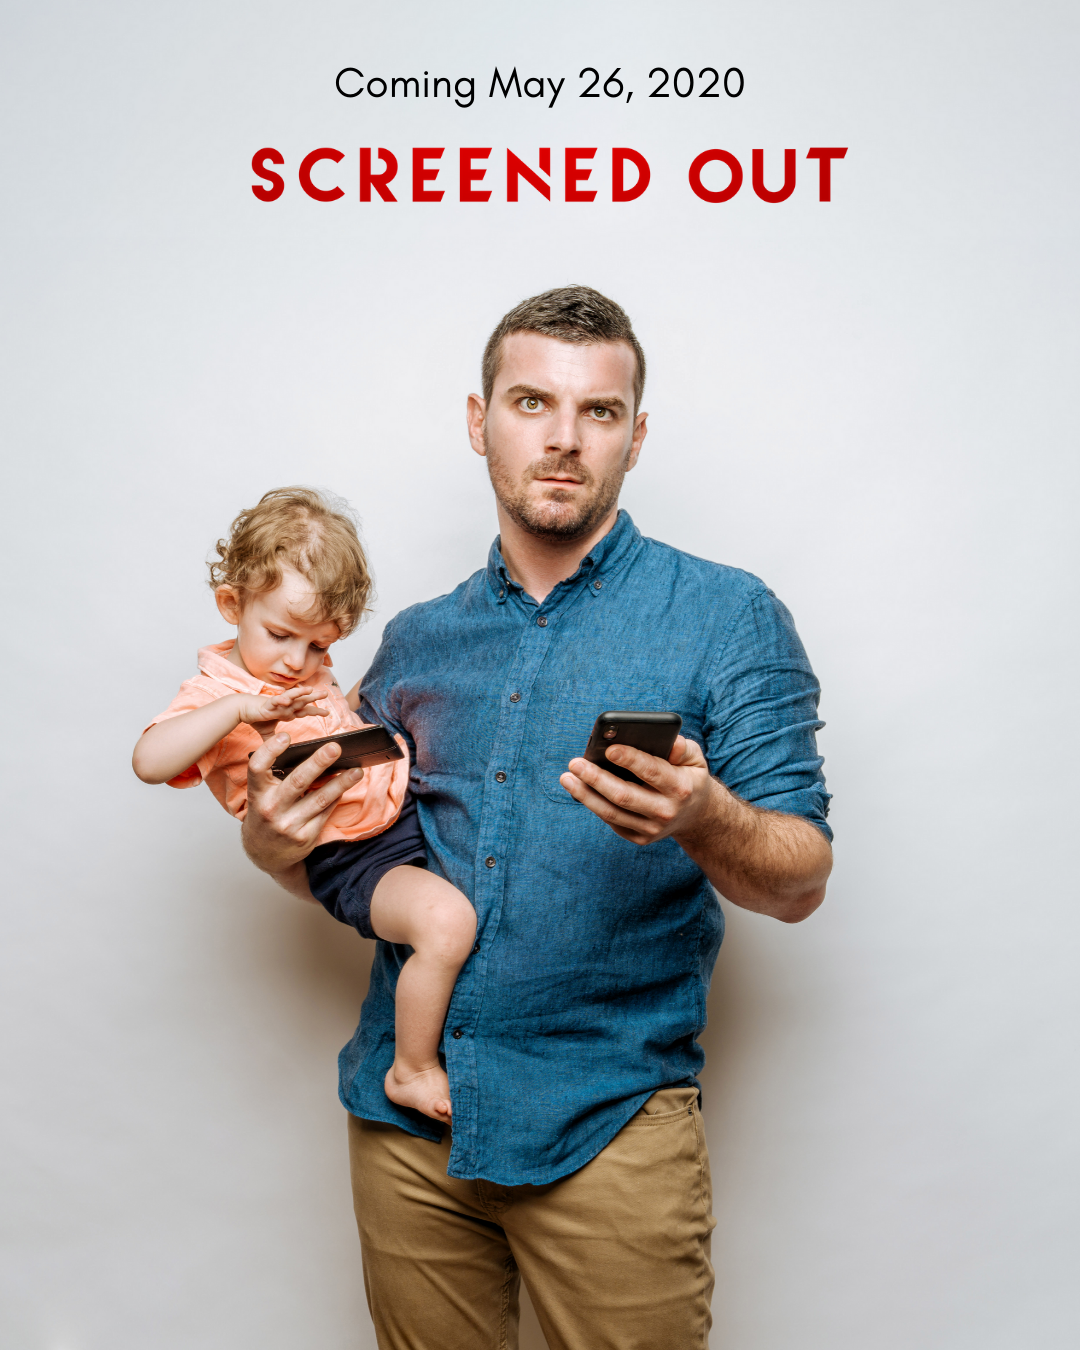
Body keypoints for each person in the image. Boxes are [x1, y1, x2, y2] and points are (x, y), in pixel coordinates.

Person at [241, 288, 834, 1350]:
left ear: (635, 437)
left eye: (599, 411)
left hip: (611, 1123)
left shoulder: (728, 615)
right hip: (406, 1131)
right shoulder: (415, 641)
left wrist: (703, 815)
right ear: (480, 422)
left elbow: (801, 879)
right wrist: (272, 841)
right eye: (531, 403)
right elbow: (348, 854)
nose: (564, 438)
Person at [132, 486, 475, 1122]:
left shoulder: (303, 667)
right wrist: (237, 709)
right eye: (281, 634)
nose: (298, 661)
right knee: (447, 924)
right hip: (353, 856)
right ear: (232, 605)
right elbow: (149, 760)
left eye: (320, 645)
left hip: (401, 815)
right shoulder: (216, 692)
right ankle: (411, 1068)